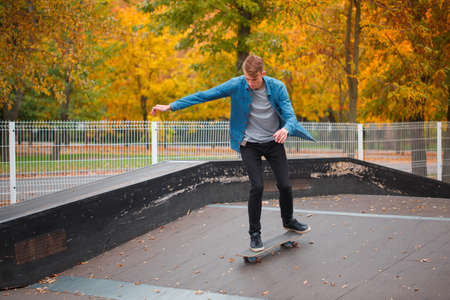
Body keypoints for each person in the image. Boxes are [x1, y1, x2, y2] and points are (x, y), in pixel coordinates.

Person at [151, 55, 315, 252]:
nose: (250, 84)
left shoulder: (277, 87)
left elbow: (291, 117)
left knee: (286, 185)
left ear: (263, 74)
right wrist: (171, 106)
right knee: (257, 186)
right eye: (247, 79)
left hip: (273, 142)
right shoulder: (237, 84)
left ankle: (288, 220)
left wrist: (286, 129)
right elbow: (205, 95)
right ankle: (255, 234)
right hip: (249, 144)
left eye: (254, 80)